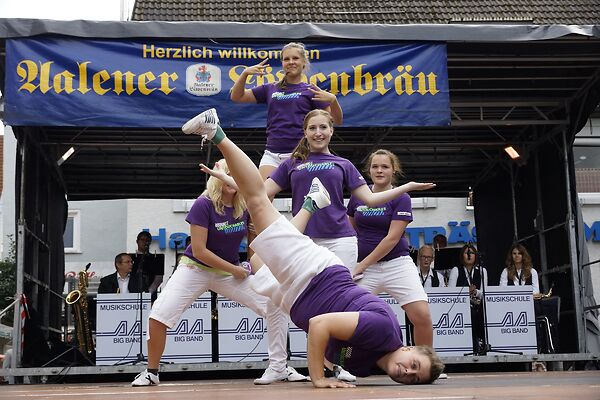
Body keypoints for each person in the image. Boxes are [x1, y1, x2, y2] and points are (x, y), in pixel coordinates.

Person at [182, 108, 443, 388]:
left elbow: (333, 350)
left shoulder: (366, 366)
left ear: (331, 131)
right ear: (410, 348)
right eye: (414, 365)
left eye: (413, 378)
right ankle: (216, 131)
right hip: (314, 275)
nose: (407, 372)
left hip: (299, 293)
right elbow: (321, 327)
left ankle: (310, 203)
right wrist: (318, 378)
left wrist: (332, 350)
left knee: (257, 265)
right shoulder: (382, 332)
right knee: (256, 201)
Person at [131, 159, 307, 387]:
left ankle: (278, 367)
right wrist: (235, 268)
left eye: (236, 173)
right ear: (218, 175)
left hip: (229, 274)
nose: (232, 178)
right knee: (158, 316)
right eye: (227, 171)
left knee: (275, 304)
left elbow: (255, 241)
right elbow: (200, 251)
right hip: (196, 268)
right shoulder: (203, 204)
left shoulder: (244, 204)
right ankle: (151, 372)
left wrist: (254, 268)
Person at [346, 149, 434, 346]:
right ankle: (342, 365)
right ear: (368, 171)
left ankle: (426, 364)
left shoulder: (402, 197)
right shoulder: (357, 196)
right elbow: (349, 233)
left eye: (385, 166)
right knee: (345, 318)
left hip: (397, 265)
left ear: (394, 170)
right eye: (375, 166)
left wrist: (361, 265)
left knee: (422, 316)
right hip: (364, 268)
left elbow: (392, 238)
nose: (379, 170)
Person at [229, 42, 343, 180]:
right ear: (282, 63)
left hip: (302, 153)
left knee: (304, 196)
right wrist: (245, 74)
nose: (291, 62)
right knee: (262, 196)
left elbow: (337, 120)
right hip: (272, 154)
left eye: (295, 58)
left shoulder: (310, 91)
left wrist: (333, 100)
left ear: (303, 63)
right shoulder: (270, 88)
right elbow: (237, 96)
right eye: (286, 59)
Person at [447, 244, 488, 354]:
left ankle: (482, 343)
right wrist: (466, 291)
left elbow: (485, 293)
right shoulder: (456, 270)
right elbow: (450, 293)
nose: (469, 256)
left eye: (472, 253)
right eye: (467, 253)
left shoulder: (481, 271)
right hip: (462, 307)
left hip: (478, 305)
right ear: (462, 256)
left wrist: (475, 292)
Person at [130, 231, 163, 295]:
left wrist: (148, 293)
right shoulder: (130, 258)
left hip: (150, 295)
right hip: (132, 294)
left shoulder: (156, 259)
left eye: (147, 240)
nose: (145, 242)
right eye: (142, 240)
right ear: (137, 241)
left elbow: (159, 278)